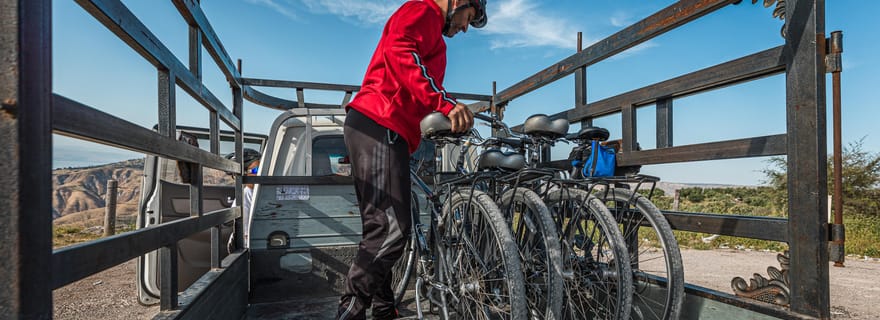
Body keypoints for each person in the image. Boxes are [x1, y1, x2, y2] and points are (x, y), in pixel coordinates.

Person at [337, 0, 487, 319]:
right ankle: (349, 310)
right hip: (380, 121)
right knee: (393, 228)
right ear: (457, 2)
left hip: (380, 126)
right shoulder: (424, 11)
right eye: (467, 18)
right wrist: (445, 103)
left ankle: (383, 308)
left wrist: (439, 114)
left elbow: (417, 82)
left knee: (379, 227)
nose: (463, 27)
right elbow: (400, 51)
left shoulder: (432, 29)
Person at [225, 148, 261, 249]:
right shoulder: (243, 199)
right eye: (256, 170)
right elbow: (245, 236)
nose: (261, 173)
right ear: (245, 173)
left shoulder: (261, 192)